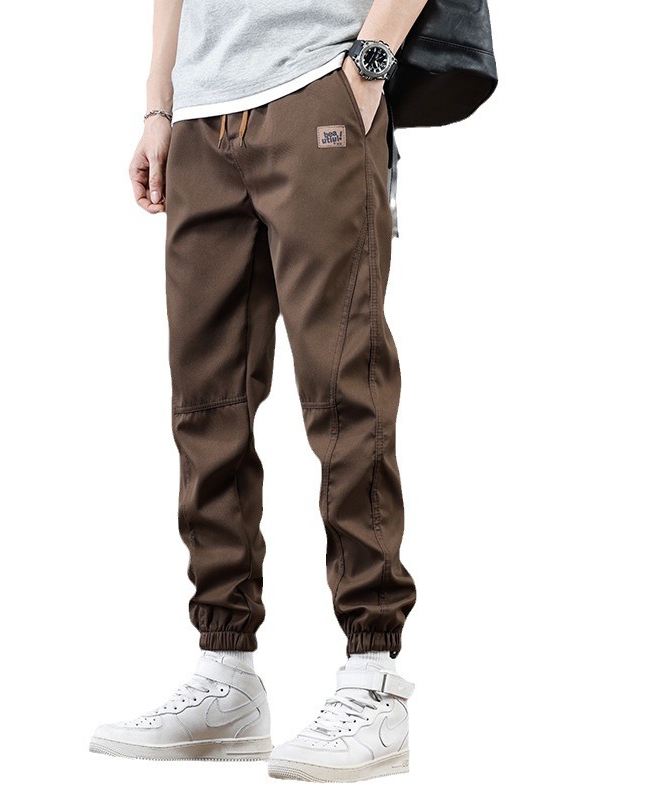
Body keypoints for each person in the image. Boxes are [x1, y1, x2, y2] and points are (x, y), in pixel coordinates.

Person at [90, 0, 428, 782]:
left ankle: (374, 677)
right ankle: (226, 673)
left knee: (344, 388)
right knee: (205, 401)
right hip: (200, 116)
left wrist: (369, 64)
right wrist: (159, 103)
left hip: (317, 85)